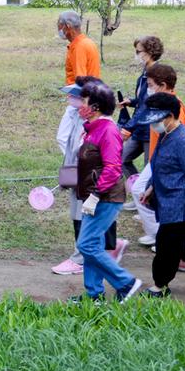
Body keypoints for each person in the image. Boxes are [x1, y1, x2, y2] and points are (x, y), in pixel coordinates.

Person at [134, 92, 185, 298]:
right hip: (166, 201)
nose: (154, 125)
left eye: (157, 120)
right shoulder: (167, 135)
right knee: (181, 245)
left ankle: (159, 286)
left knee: (166, 245)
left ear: (170, 116)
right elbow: (160, 165)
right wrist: (151, 187)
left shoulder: (184, 140)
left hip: (180, 204)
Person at [69, 81, 142, 303]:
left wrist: (96, 194)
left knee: (86, 245)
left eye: (83, 101)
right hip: (94, 196)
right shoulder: (92, 128)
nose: (79, 104)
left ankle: (126, 283)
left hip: (106, 197)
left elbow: (112, 168)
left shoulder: (108, 130)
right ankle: (94, 294)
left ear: (96, 107)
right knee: (94, 245)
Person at [131, 63, 185, 248]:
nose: (147, 89)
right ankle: (156, 232)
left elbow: (179, 140)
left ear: (163, 86)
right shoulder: (158, 104)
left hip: (169, 161)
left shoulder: (174, 107)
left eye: (149, 85)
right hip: (158, 158)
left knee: (143, 191)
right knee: (142, 192)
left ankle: (160, 235)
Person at [119, 36, 162, 181]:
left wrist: (128, 128)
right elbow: (143, 100)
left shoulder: (157, 74)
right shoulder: (145, 72)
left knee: (148, 169)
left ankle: (146, 201)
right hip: (139, 128)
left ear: (150, 52)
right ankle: (138, 192)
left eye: (138, 51)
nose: (136, 55)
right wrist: (131, 102)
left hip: (151, 129)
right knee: (122, 159)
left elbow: (148, 105)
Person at [58, 10, 100, 86]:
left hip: (80, 95)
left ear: (67, 26)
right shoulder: (88, 42)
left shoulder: (78, 47)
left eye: (60, 25)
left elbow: (81, 80)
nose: (59, 29)